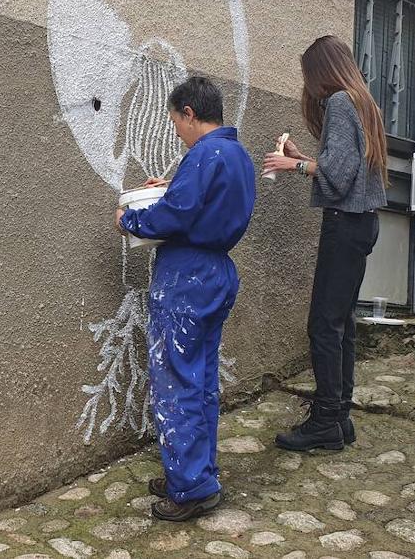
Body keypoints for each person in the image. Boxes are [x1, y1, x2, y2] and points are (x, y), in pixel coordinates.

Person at [114, 76, 256, 522]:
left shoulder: (204, 155)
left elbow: (176, 215)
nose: (176, 131)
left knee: (176, 381)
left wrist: (130, 219)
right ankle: (196, 474)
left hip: (187, 277)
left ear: (190, 114)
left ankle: (190, 486)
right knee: (201, 378)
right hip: (216, 272)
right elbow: (196, 202)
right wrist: (173, 185)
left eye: (176, 122)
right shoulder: (237, 156)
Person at [262, 34, 387, 452]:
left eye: (308, 75)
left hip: (345, 224)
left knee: (322, 325)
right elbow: (343, 163)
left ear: (320, 72)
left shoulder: (338, 102)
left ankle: (325, 421)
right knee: (342, 324)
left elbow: (338, 175)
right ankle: (340, 418)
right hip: (364, 224)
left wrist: (293, 163)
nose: (308, 84)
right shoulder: (362, 102)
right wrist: (304, 155)